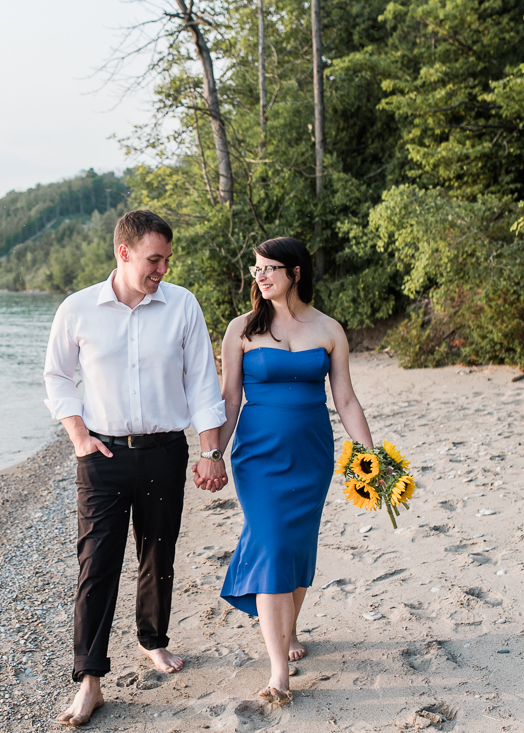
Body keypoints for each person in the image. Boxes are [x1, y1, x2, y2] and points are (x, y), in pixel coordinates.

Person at [43, 209, 228, 726]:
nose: (162, 268)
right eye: (154, 259)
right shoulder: (78, 309)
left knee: (158, 553)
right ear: (123, 254)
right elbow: (56, 376)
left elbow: (202, 386)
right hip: (101, 454)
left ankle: (153, 640)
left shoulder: (182, 305)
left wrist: (210, 451)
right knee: (97, 564)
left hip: (165, 450)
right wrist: (78, 436)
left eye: (167, 259)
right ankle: (90, 681)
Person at [215, 236, 373, 705]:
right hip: (258, 457)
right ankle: (279, 670)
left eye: (269, 268)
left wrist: (371, 456)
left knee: (298, 547)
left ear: (296, 272)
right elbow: (228, 399)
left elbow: (345, 398)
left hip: (311, 455)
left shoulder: (328, 329)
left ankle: (290, 625)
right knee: (273, 545)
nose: (259, 276)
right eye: (256, 268)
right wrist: (212, 454)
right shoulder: (240, 328)